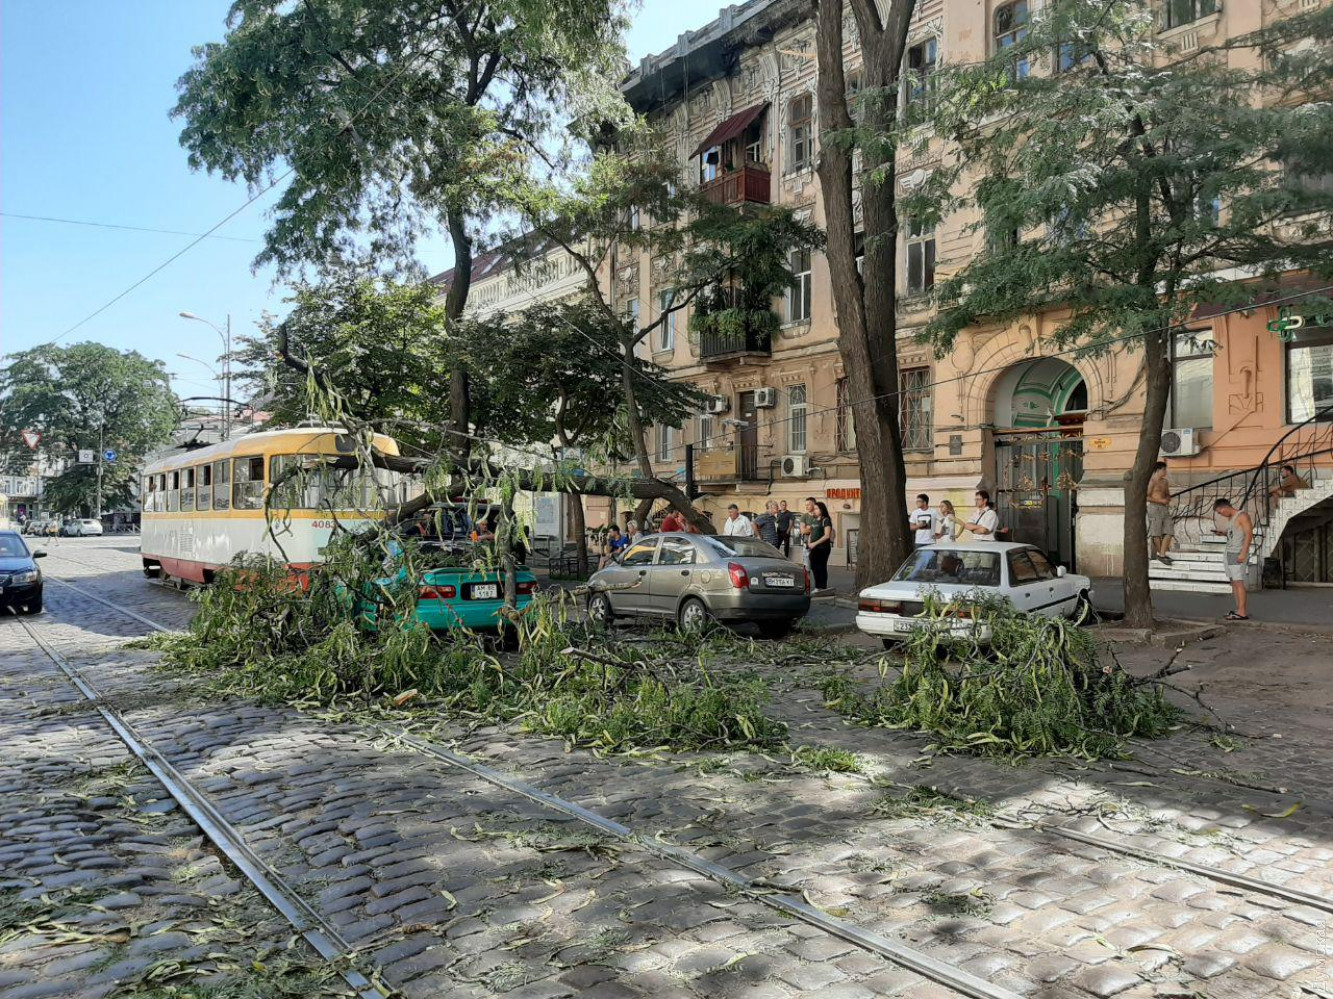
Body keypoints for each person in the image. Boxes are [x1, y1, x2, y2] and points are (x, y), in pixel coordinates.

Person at [1213, 498, 1253, 621]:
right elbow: (1235, 533)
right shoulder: (1231, 518)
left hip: (1237, 553)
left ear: (1225, 507)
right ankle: (1238, 609)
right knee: (1234, 582)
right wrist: (1223, 533)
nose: (1221, 515)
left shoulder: (1242, 516)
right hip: (1229, 552)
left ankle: (1242, 612)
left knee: (1238, 582)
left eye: (1220, 512)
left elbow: (1249, 534)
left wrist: (1243, 553)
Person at [1147, 460, 1174, 565]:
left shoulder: (1165, 482)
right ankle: (1161, 554)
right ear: (1158, 470)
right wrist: (1160, 501)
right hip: (1154, 508)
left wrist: (1167, 499)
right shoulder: (1152, 481)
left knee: (1169, 531)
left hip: (1164, 508)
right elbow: (1147, 497)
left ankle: (1162, 554)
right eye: (1164, 469)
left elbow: (1167, 494)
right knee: (1156, 533)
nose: (1165, 471)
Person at [804, 499, 835, 591]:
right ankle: (817, 586)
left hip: (823, 547)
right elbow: (811, 533)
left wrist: (815, 543)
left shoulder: (826, 520)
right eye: (814, 509)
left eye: (816, 508)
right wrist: (809, 543)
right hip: (813, 547)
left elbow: (827, 535)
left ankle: (822, 587)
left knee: (821, 567)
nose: (815, 510)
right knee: (814, 566)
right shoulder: (814, 520)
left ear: (821, 509)